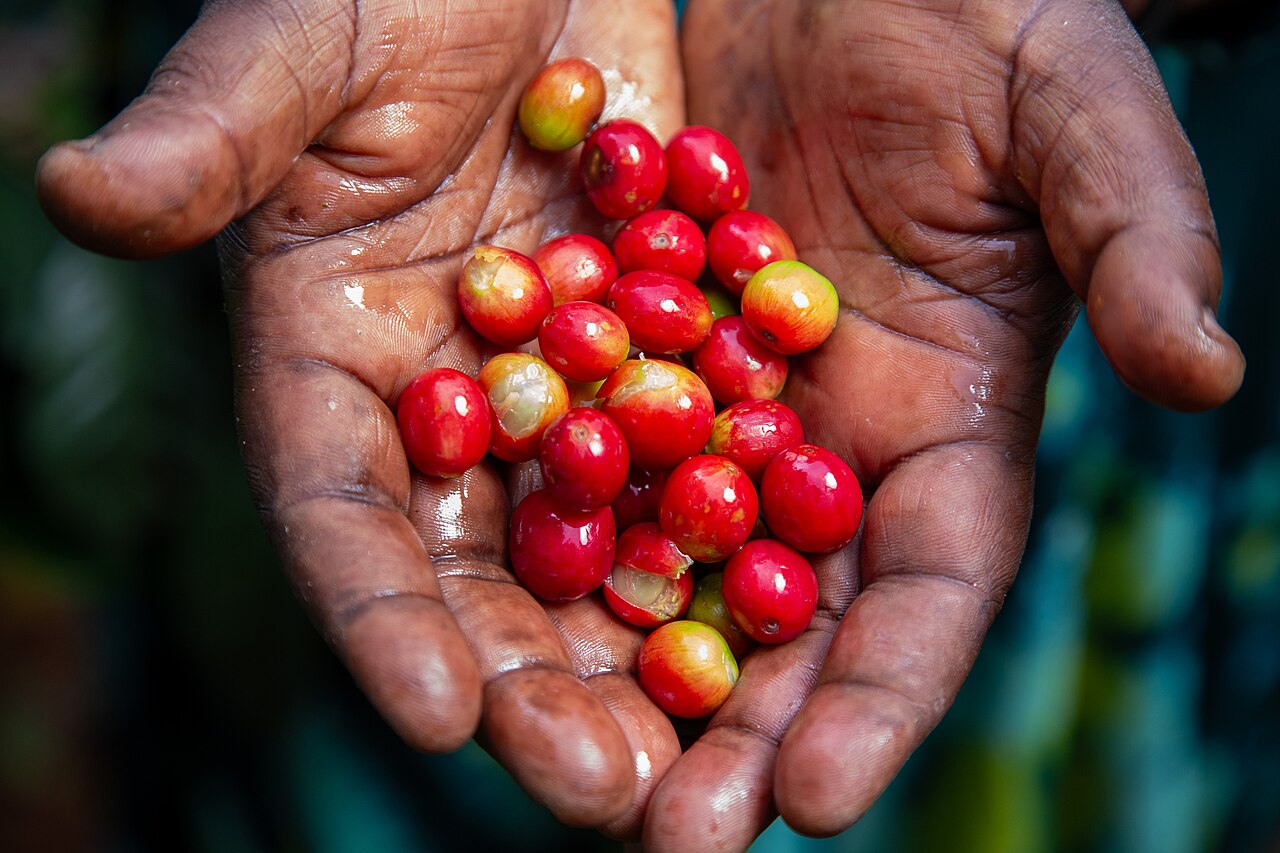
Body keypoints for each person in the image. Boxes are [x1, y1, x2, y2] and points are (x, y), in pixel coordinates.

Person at [35, 0, 1245, 849]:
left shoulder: (668, 378)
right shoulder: (609, 379)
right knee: (331, 670)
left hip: (1031, 299)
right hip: (369, 209)